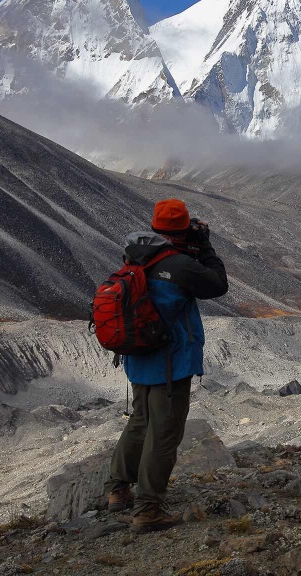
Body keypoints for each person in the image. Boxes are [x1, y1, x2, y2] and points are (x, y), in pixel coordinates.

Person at [102, 198, 229, 532]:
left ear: (155, 226)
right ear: (184, 228)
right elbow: (217, 284)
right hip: (170, 363)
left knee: (141, 420)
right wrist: (205, 246)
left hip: (138, 355)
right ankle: (148, 510)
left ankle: (117, 489)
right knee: (164, 434)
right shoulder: (182, 265)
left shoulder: (136, 255)